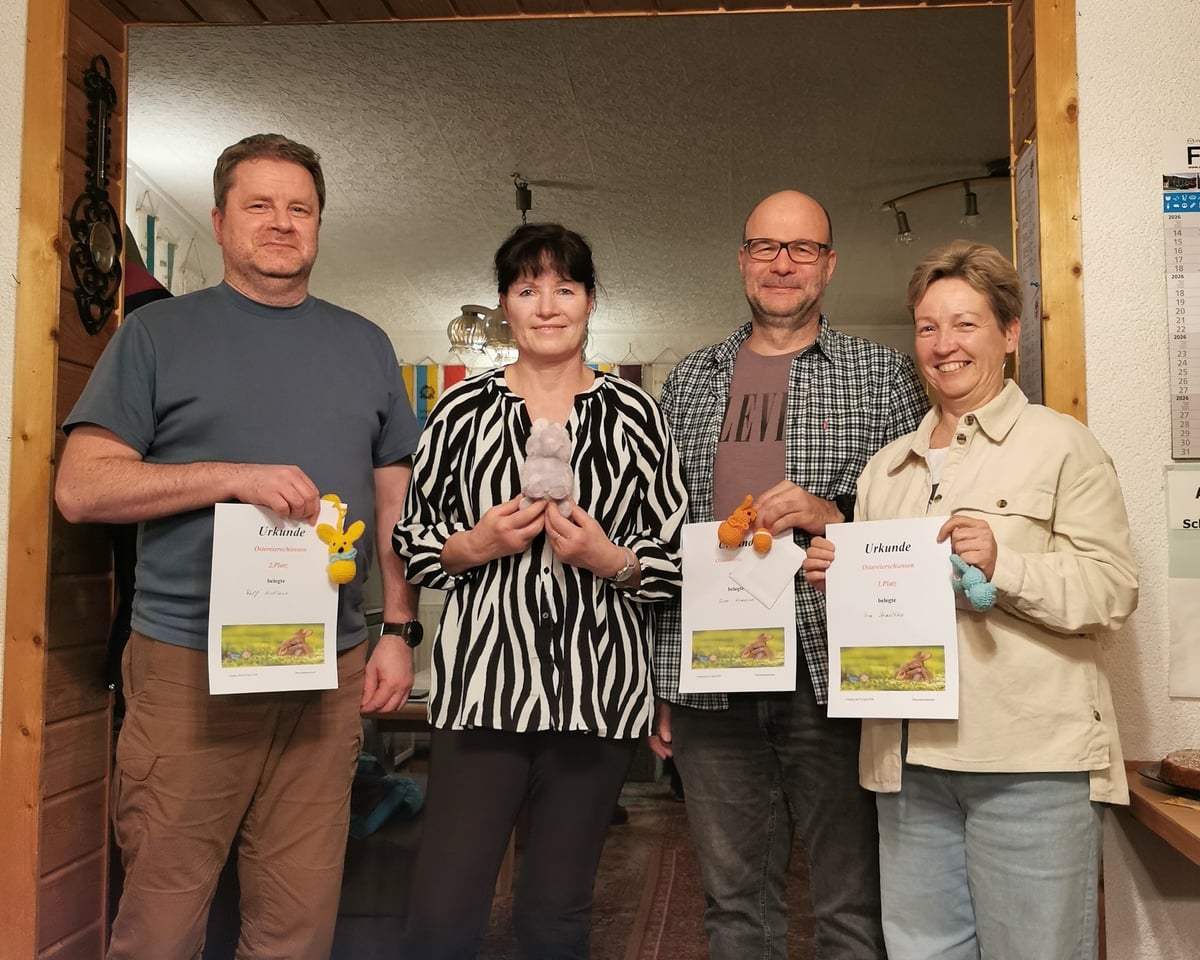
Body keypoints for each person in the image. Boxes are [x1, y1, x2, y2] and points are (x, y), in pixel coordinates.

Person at [55, 133, 421, 960]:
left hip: (327, 667)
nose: (282, 223)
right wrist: (230, 477)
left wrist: (399, 629)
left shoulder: (367, 345)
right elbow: (81, 487)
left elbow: (394, 501)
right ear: (220, 223)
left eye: (300, 208)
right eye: (259, 205)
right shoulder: (156, 335)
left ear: (320, 225)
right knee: (161, 923)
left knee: (298, 925)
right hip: (188, 666)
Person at [802, 240, 1139, 960]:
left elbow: (1113, 590)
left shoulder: (1064, 446)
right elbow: (887, 616)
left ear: (1010, 334)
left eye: (966, 324)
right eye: (927, 327)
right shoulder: (885, 469)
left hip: (1029, 766)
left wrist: (1004, 566)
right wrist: (843, 579)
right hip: (907, 766)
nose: (944, 344)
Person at [394, 222, 688, 959]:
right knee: (442, 913)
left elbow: (676, 559)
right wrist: (476, 544)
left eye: (565, 287)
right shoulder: (460, 413)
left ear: (590, 301)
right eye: (528, 289)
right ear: (505, 304)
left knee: (556, 915)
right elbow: (413, 541)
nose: (548, 305)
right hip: (483, 694)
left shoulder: (638, 416)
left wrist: (608, 558)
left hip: (599, 699)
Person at [648, 190, 929, 958]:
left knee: (853, 907)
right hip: (709, 679)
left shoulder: (883, 377)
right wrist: (658, 679)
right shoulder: (689, 381)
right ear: (743, 259)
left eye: (802, 248)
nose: (783, 263)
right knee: (734, 910)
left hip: (833, 672)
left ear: (828, 265)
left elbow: (918, 519)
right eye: (766, 247)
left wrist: (832, 513)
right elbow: (661, 532)